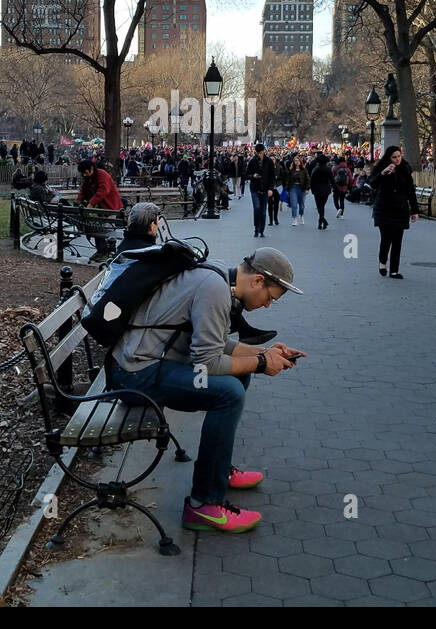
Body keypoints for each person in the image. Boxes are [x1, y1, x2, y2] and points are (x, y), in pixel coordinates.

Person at [105, 247, 305, 533]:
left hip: (145, 362)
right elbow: (208, 362)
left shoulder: (218, 276)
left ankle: (218, 471)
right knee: (229, 393)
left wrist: (265, 352)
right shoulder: (216, 289)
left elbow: (214, 344)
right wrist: (261, 363)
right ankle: (204, 505)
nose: (267, 306)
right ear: (258, 280)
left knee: (238, 377)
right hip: (134, 374)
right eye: (270, 298)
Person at [370, 146, 421, 279]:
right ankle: (382, 261)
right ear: (388, 157)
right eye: (394, 157)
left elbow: (411, 191)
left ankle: (394, 270)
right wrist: (383, 173)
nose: (397, 159)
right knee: (386, 239)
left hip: (400, 208)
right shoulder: (382, 167)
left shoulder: (405, 168)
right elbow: (372, 184)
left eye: (399, 156)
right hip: (384, 208)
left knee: (397, 241)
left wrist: (415, 211)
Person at [244, 144, 275, 239]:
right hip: (255, 188)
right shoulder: (252, 161)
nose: (260, 155)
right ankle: (256, 228)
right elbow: (246, 174)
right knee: (257, 208)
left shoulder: (269, 161)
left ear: (264, 151)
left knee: (263, 211)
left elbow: (272, 176)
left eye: (261, 153)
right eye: (258, 153)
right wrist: (253, 176)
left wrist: (270, 188)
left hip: (265, 188)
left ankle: (262, 229)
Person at [309, 153, 335, 230]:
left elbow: (312, 180)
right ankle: (321, 221)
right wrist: (335, 188)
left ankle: (322, 221)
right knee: (322, 206)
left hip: (317, 190)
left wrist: (311, 189)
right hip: (326, 190)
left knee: (319, 206)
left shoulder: (315, 169)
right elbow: (332, 180)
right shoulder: (328, 169)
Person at [286, 154, 310, 226]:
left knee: (302, 205)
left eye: (297, 160)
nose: (296, 162)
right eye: (295, 161)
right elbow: (288, 180)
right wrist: (287, 190)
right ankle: (295, 219)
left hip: (302, 188)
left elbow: (308, 180)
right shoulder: (291, 170)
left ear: (300, 161)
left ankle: (301, 215)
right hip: (293, 188)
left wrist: (307, 188)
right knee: (294, 204)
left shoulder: (304, 170)